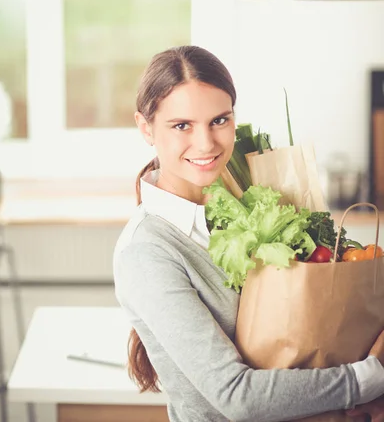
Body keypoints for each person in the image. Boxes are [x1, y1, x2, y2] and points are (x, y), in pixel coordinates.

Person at [113, 45, 384, 422]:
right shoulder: (146, 252)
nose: (206, 143)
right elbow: (237, 396)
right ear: (146, 128)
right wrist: (368, 378)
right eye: (181, 126)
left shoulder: (251, 202)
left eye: (219, 120)